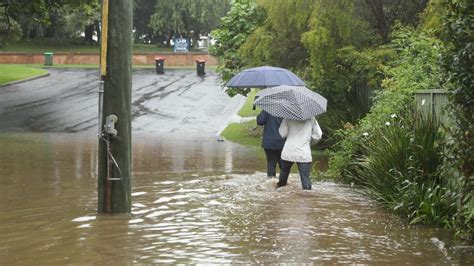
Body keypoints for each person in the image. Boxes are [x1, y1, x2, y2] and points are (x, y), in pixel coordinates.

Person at [277, 117, 322, 190]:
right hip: (304, 153)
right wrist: (309, 143)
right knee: (305, 178)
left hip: (289, 151)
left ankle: (279, 193)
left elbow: (282, 133)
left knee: (283, 176)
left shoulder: (288, 117)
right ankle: (307, 198)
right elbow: (318, 135)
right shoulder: (311, 118)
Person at [256, 110, 286, 178]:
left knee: (271, 164)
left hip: (269, 142)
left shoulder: (268, 109)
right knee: (283, 165)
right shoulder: (285, 110)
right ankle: (284, 184)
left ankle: (270, 184)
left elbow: (259, 121)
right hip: (282, 141)